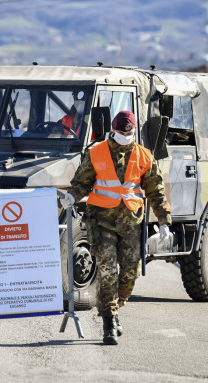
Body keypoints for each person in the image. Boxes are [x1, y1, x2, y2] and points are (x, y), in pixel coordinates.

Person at [60, 110, 171, 345]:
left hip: (131, 222)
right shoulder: (96, 152)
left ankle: (115, 308)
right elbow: (82, 182)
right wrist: (72, 196)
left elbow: (156, 191)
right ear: (113, 130)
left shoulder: (144, 156)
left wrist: (164, 221)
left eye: (128, 132)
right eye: (121, 132)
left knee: (130, 272)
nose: (124, 135)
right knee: (107, 270)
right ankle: (109, 323)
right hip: (101, 222)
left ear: (133, 131)